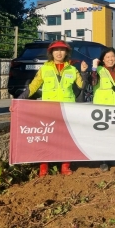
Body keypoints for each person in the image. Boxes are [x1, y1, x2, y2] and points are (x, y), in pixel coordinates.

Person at [18, 40, 88, 176]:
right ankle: (44, 168)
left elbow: (82, 86)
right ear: (51, 53)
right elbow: (33, 87)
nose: (59, 53)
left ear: (66, 52)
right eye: (56, 50)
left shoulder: (72, 69)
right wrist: (18, 101)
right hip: (48, 109)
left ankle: (65, 166)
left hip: (67, 109)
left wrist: (84, 72)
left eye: (62, 50)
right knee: (46, 138)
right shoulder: (44, 69)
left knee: (66, 138)